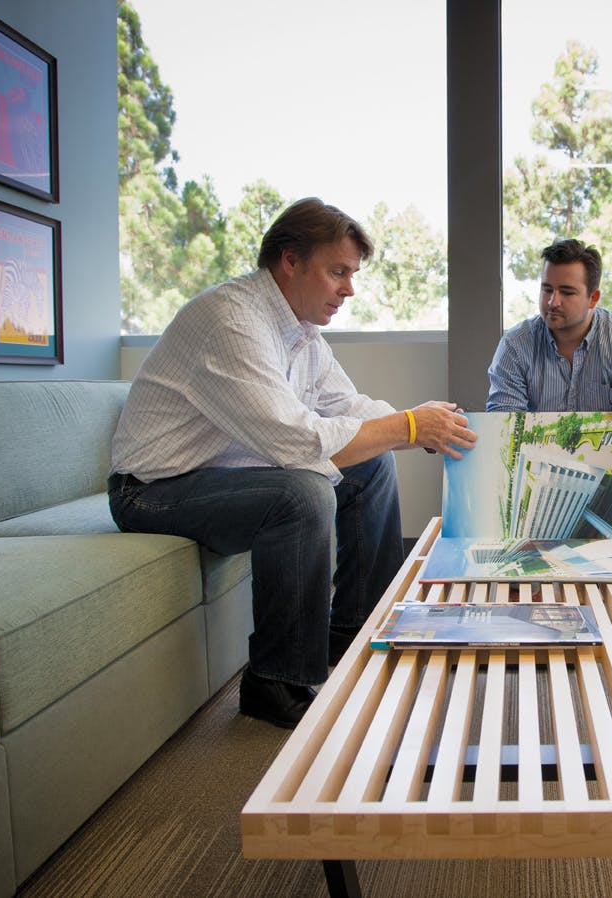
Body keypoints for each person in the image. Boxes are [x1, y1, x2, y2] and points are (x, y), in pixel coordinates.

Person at [108, 197, 477, 730]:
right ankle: (274, 681)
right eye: (337, 272)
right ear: (290, 260)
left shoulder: (302, 333)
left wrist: (420, 427)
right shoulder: (230, 320)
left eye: (352, 275)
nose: (349, 289)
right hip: (151, 490)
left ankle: (353, 632)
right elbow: (297, 442)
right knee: (302, 493)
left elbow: (349, 410)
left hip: (225, 476)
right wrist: (409, 426)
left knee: (371, 465)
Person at [487, 238, 612, 591]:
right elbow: (505, 423)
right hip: (533, 463)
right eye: (546, 289)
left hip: (606, 462)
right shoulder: (517, 342)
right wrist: (563, 441)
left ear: (593, 298)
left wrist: (566, 439)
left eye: (566, 292)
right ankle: (513, 580)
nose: (552, 302)